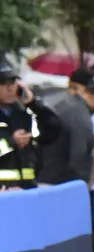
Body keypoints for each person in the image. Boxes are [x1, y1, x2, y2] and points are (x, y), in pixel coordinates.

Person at [0, 62, 63, 190]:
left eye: (13, 83)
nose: (10, 89)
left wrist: (32, 103)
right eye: (3, 84)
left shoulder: (23, 113)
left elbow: (53, 130)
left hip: (27, 188)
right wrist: (12, 142)